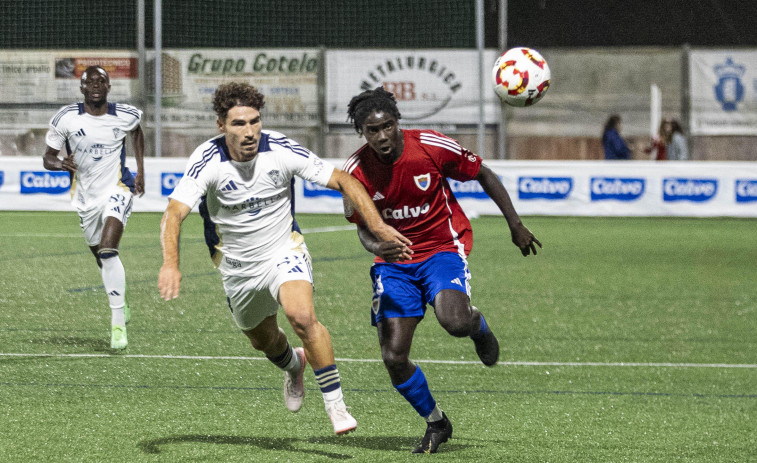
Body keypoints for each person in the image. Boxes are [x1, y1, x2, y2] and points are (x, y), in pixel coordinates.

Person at [158, 82, 410, 435]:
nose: (249, 132)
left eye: (254, 121)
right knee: (263, 341)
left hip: (283, 250)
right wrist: (171, 263)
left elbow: (344, 180)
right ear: (221, 126)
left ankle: (336, 406)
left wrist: (379, 226)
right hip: (237, 268)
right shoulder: (206, 160)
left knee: (302, 316)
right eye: (238, 124)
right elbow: (174, 213)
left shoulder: (281, 149)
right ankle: (295, 366)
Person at [342, 87, 541, 454]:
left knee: (456, 324)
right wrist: (377, 246)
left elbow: (483, 173)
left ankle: (476, 324)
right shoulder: (354, 173)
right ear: (362, 133)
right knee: (393, 357)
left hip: (441, 249)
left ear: (398, 122)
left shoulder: (431, 146)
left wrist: (515, 225)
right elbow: (362, 228)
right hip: (394, 265)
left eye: (387, 126)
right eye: (373, 131)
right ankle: (437, 421)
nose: (382, 136)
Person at [42, 65, 145, 350]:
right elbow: (47, 157)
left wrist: (140, 171)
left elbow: (137, 133)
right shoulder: (66, 118)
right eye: (90, 81)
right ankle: (121, 300)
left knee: (109, 250)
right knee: (99, 254)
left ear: (109, 87)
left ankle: (117, 325)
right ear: (82, 88)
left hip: (118, 188)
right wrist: (61, 163)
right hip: (86, 197)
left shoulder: (126, 114)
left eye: (102, 81)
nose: (96, 85)